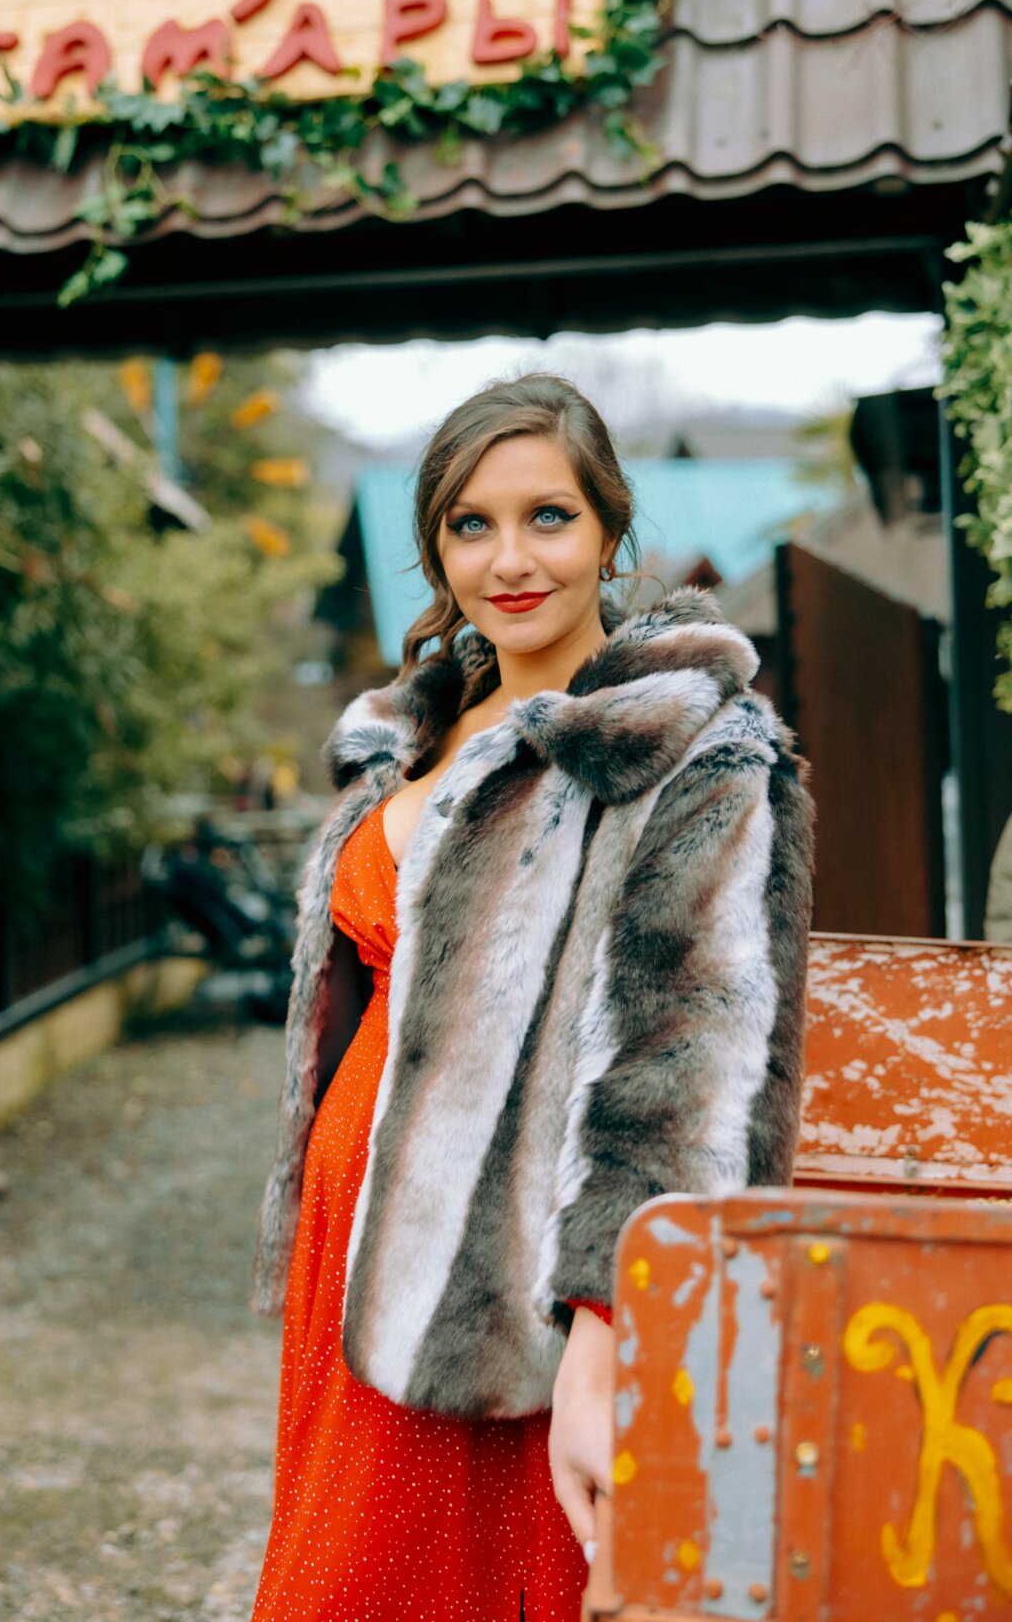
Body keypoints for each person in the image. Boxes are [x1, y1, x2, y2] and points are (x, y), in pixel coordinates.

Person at [248, 372, 815, 1622]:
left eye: (548, 516)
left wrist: (605, 1341)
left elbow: (686, 1066)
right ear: (435, 551)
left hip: (507, 1292)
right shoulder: (411, 735)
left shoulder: (681, 746)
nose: (509, 559)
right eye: (471, 524)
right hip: (352, 1254)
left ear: (608, 532)